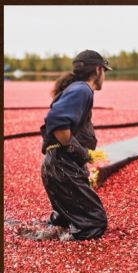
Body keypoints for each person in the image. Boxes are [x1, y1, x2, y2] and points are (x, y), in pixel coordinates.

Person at [22, 50, 112, 241]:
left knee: (66, 219)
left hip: (56, 166)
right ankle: (71, 252)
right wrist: (80, 151)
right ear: (98, 70)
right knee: (94, 223)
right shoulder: (82, 90)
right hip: (63, 166)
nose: (104, 76)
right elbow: (56, 120)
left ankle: (54, 235)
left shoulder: (76, 88)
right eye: (104, 71)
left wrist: (84, 156)